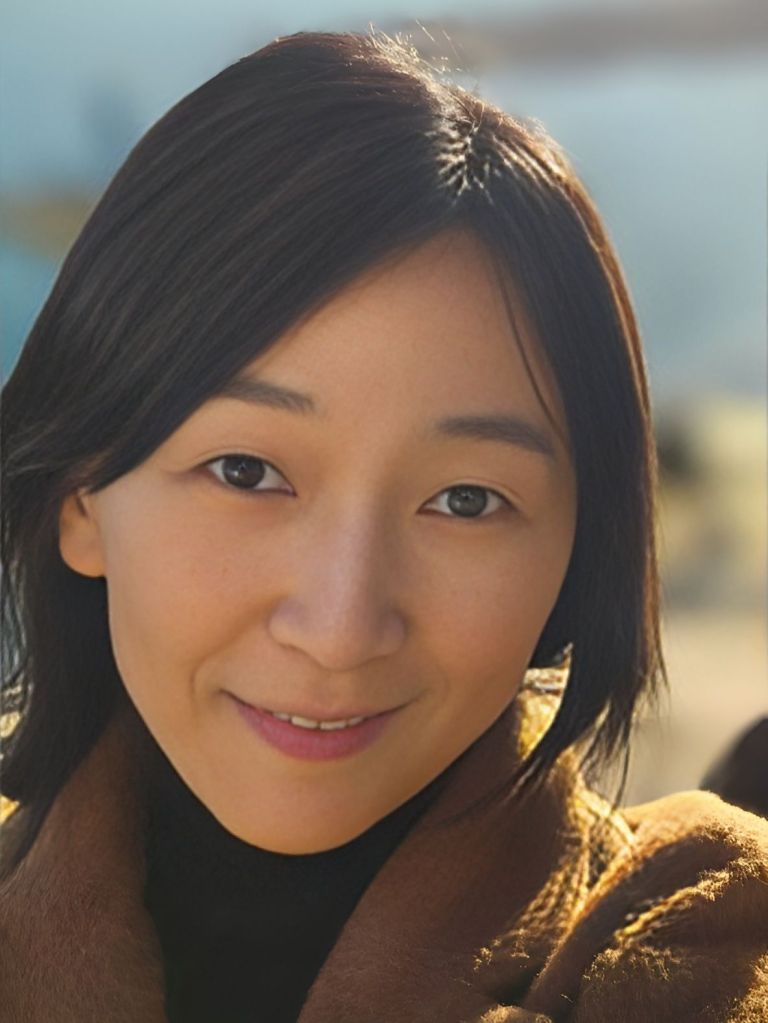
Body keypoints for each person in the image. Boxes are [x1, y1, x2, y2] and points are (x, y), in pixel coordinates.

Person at [0, 29, 766, 1023]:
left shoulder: (698, 941)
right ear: (80, 497)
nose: (340, 627)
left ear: (579, 552)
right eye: (247, 472)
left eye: (466, 501)